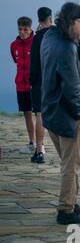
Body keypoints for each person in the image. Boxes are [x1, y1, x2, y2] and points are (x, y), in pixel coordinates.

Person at [41, 1, 80, 225]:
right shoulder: (66, 47)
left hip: (50, 110)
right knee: (71, 165)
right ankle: (66, 210)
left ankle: (71, 201)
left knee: (70, 163)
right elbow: (72, 87)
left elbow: (70, 55)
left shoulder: (50, 37)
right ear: (70, 22)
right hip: (68, 115)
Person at [29, 7, 53, 164]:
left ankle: (39, 151)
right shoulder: (55, 36)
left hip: (39, 82)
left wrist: (32, 81)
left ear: (38, 20)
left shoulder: (37, 39)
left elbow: (34, 64)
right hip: (55, 81)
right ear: (50, 18)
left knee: (39, 115)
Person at [10, 16, 35, 154]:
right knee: (27, 114)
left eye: (25, 29)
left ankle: (40, 144)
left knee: (39, 114)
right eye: (20, 29)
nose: (22, 32)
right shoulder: (14, 45)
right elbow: (16, 61)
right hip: (20, 85)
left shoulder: (36, 43)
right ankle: (32, 142)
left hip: (33, 86)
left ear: (30, 28)